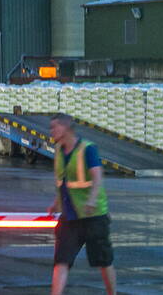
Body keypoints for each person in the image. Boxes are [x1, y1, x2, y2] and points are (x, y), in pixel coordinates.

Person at [47, 113, 116, 295]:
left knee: (103, 261)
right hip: (69, 217)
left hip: (94, 216)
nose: (51, 131)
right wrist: (56, 203)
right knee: (61, 260)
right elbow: (63, 181)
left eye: (54, 127)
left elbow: (97, 176)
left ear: (65, 128)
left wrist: (92, 199)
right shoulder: (59, 151)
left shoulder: (87, 149)